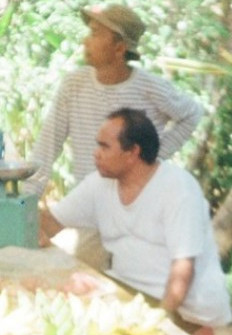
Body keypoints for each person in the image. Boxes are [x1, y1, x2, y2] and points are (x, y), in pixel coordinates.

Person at [28, 3, 203, 268]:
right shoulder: (74, 85)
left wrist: (149, 157)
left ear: (119, 48)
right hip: (88, 211)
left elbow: (192, 113)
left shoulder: (149, 88)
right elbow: (47, 145)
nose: (86, 39)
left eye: (96, 33)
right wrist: (27, 200)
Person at [39, 108, 232, 335]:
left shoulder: (178, 189)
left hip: (185, 312)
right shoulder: (98, 184)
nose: (95, 154)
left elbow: (183, 269)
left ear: (132, 152)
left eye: (104, 146)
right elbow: (50, 222)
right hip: (128, 298)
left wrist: (162, 321)